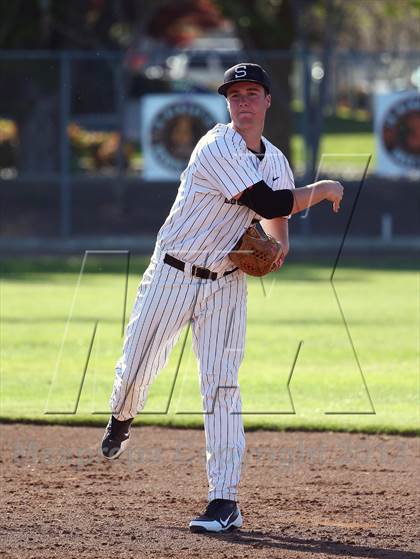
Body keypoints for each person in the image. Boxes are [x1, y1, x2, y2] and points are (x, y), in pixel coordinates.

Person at [101, 63, 344, 533]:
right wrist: (323, 189)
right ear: (227, 104)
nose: (244, 102)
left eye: (253, 93)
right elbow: (274, 203)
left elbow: (278, 228)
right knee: (136, 370)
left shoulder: (274, 160)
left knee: (222, 386)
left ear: (268, 100)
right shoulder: (216, 145)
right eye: (235, 95)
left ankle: (223, 500)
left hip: (226, 285)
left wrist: (276, 251)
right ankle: (121, 416)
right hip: (172, 274)